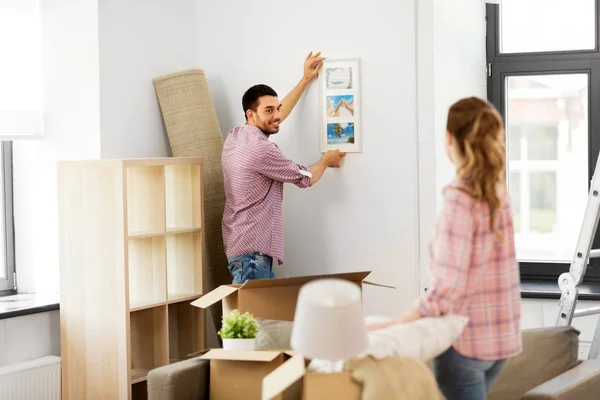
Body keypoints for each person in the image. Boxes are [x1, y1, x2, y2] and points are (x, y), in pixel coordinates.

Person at [368, 97, 522, 400]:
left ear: (449, 138)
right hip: (501, 341)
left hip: (465, 343)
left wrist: (394, 324)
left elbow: (445, 289)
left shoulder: (460, 198)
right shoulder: (497, 193)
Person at [222, 51, 345, 285]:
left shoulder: (236, 136)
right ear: (251, 114)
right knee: (257, 321)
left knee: (257, 320)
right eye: (269, 110)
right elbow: (306, 177)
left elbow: (275, 119)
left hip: (241, 248)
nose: (277, 115)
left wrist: (305, 79)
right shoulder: (262, 151)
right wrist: (326, 161)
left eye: (276, 108)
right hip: (253, 255)